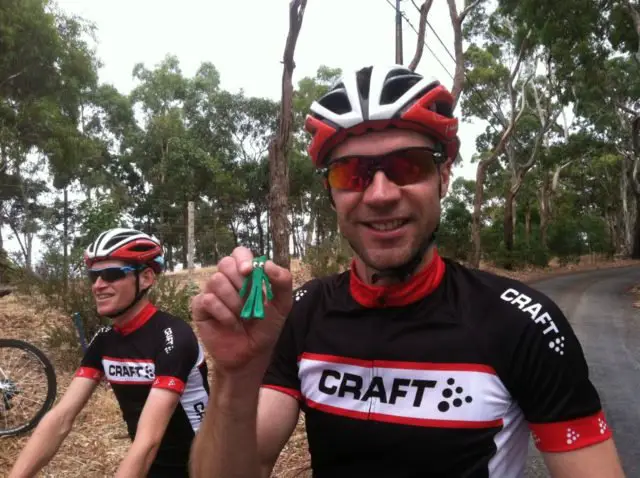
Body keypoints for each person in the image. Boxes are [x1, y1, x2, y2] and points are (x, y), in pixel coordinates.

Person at [188, 65, 626, 478]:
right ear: (330, 193)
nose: (380, 195)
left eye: (408, 166)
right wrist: (234, 379)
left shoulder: (521, 322)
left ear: (444, 176)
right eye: (351, 174)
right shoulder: (302, 315)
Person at [10, 228, 209, 478]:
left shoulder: (173, 337)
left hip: (202, 468)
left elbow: (148, 442)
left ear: (146, 278)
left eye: (112, 274)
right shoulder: (105, 340)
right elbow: (60, 418)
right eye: (93, 276)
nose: (98, 285)